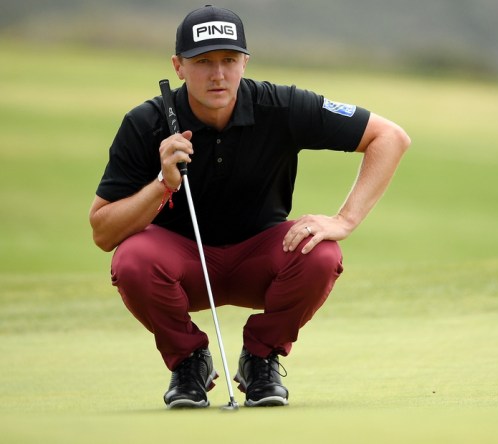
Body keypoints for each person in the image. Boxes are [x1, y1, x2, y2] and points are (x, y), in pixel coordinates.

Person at [89, 5, 410, 409]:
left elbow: (390, 137)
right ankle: (189, 362)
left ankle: (261, 358)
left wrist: (345, 219)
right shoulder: (146, 122)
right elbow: (102, 232)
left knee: (321, 251)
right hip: (181, 264)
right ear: (178, 66)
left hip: (260, 257)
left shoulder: (282, 105)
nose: (218, 74)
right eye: (203, 62)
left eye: (228, 60)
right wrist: (161, 185)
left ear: (245, 61)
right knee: (133, 258)